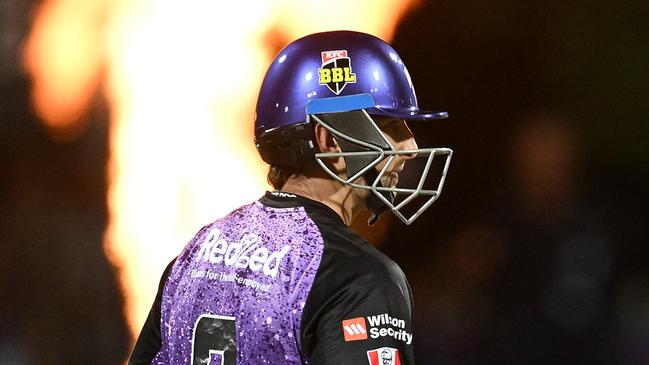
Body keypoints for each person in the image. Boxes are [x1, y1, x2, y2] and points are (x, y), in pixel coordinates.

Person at [129, 30, 452, 365]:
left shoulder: (196, 252)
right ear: (330, 141)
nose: (411, 147)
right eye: (390, 125)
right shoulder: (355, 277)